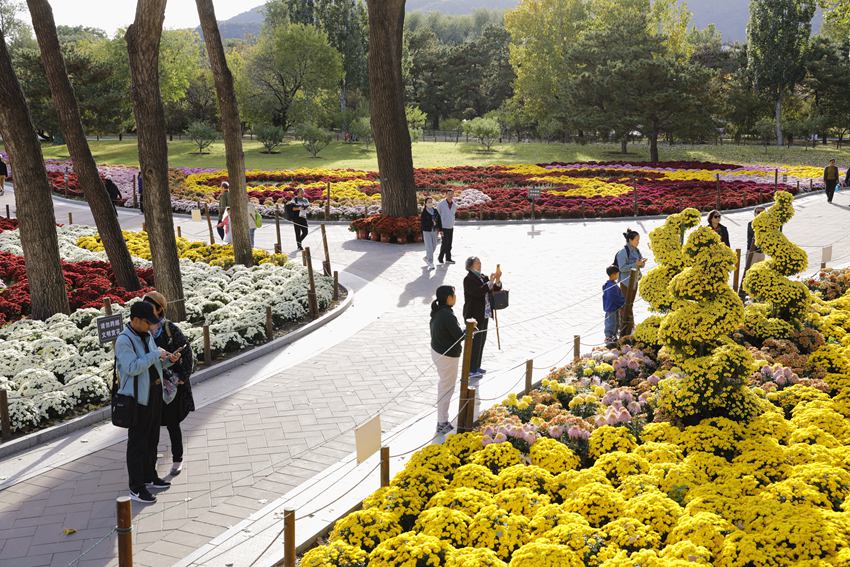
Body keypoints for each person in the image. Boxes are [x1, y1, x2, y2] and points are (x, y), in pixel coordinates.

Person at [115, 300, 181, 504]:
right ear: (135, 320)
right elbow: (132, 368)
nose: (151, 326)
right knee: (138, 443)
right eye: (147, 322)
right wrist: (155, 354)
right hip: (137, 399)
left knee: (152, 438)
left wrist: (168, 360)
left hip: (154, 394)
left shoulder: (146, 335)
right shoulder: (124, 340)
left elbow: (154, 363)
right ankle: (136, 487)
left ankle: (150, 476)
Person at [144, 292, 195, 477]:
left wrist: (183, 377)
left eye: (150, 307)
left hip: (171, 387)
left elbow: (187, 352)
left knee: (173, 424)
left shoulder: (169, 328)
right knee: (151, 426)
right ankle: (151, 462)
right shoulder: (141, 329)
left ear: (159, 309)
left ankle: (177, 458)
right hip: (150, 386)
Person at [430, 285, 464, 434]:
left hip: (438, 352)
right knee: (447, 388)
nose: (455, 298)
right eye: (454, 295)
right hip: (447, 356)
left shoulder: (439, 311)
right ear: (449, 298)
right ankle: (442, 422)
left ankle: (442, 419)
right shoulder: (447, 315)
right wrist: (470, 329)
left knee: (444, 385)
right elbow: (459, 336)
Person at [463, 257, 502, 378]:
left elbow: (495, 288)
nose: (480, 264)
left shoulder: (483, 277)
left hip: (485, 313)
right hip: (474, 315)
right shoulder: (468, 279)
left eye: (480, 262)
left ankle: (477, 366)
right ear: (470, 266)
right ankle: (471, 369)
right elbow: (478, 292)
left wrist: (497, 280)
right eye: (477, 263)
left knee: (481, 341)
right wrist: (490, 282)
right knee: (474, 343)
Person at [614, 229, 647, 337]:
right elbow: (622, 268)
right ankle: (625, 329)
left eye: (638, 240)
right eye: (636, 240)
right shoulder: (623, 252)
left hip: (635, 281)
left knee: (630, 304)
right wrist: (635, 264)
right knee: (626, 305)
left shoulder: (636, 250)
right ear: (630, 240)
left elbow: (640, 264)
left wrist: (642, 263)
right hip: (626, 282)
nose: (638, 242)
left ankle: (630, 327)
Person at [603, 265, 626, 344]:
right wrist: (622, 303)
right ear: (613, 274)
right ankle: (609, 337)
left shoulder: (608, 284)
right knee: (612, 323)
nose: (618, 275)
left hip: (609, 307)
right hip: (612, 308)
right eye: (618, 274)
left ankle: (613, 336)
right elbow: (615, 298)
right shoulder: (612, 286)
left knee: (613, 322)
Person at [436, 190, 457, 265]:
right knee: (444, 243)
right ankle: (440, 257)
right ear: (446, 195)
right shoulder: (441, 204)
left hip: (450, 227)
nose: (450, 196)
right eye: (449, 194)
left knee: (449, 244)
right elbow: (437, 215)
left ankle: (448, 258)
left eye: (452, 194)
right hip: (443, 227)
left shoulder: (454, 205)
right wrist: (439, 228)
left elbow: (453, 214)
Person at [421, 197, 439, 270]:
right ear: (425, 204)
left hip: (434, 231)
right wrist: (431, 223)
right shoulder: (424, 213)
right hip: (427, 231)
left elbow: (439, 220)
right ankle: (430, 262)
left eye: (431, 202)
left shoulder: (435, 211)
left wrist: (439, 228)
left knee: (434, 246)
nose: (430, 203)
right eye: (428, 202)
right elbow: (423, 223)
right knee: (429, 247)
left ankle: (426, 257)